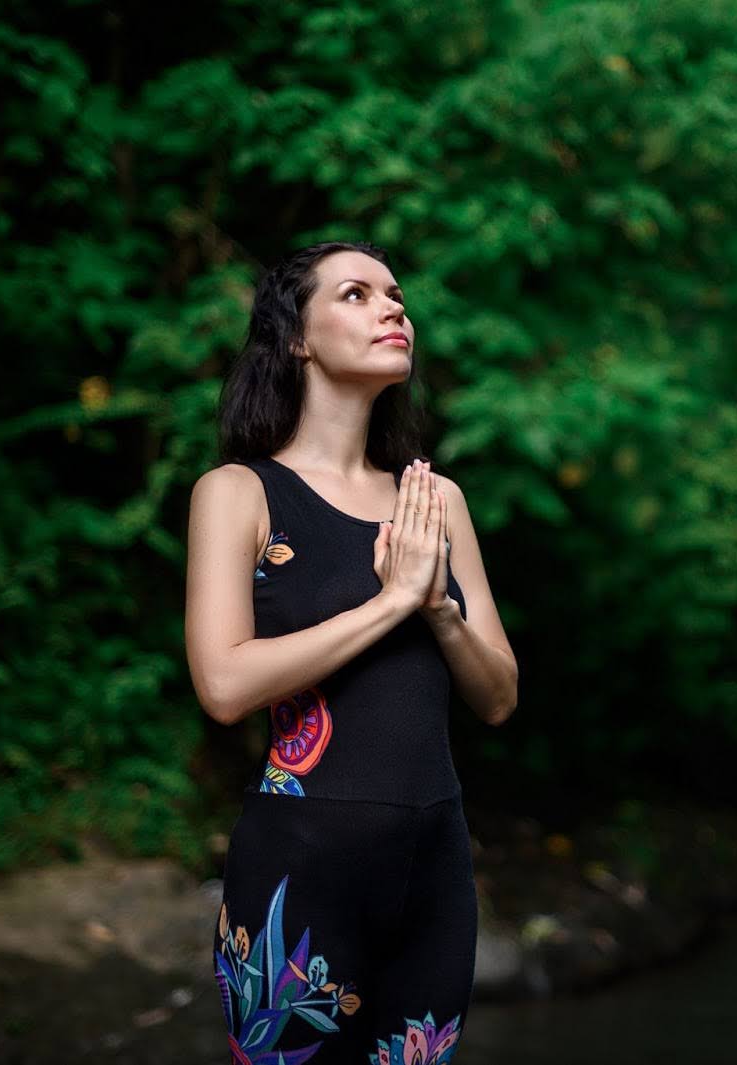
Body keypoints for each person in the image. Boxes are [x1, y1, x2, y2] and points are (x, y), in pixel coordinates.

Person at [184, 240, 518, 1064]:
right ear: (296, 337)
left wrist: (436, 605)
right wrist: (392, 601)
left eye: (396, 294)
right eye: (358, 294)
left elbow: (500, 693)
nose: (394, 308)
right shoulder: (238, 492)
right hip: (300, 867)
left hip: (434, 866)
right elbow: (225, 683)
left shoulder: (434, 500)